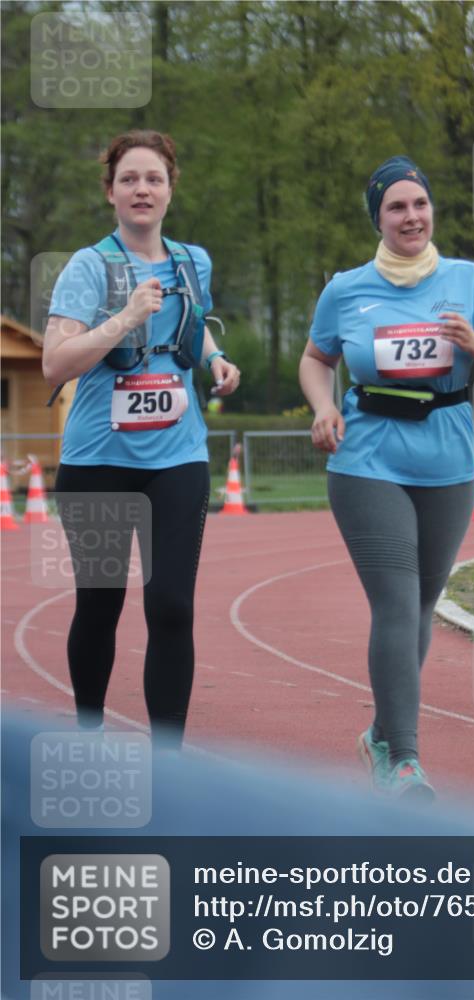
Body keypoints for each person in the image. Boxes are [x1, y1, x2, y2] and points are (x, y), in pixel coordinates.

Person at [299, 155, 474, 799]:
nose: (411, 216)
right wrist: (324, 406)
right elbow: (317, 359)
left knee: (422, 607)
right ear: (378, 217)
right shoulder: (346, 288)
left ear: (432, 211)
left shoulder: (468, 280)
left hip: (448, 460)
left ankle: (379, 734)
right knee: (396, 603)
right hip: (368, 458)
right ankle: (403, 761)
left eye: (419, 204)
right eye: (396, 207)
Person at [42, 130, 240, 748]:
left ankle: (169, 760)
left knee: (172, 607)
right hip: (98, 460)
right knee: (100, 605)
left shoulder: (192, 261)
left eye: (153, 178)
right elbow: (55, 362)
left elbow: (194, 324)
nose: (142, 189)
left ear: (171, 188)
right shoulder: (88, 266)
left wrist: (215, 359)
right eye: (129, 179)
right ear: (110, 192)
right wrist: (125, 318)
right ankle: (90, 730)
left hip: (177, 458)